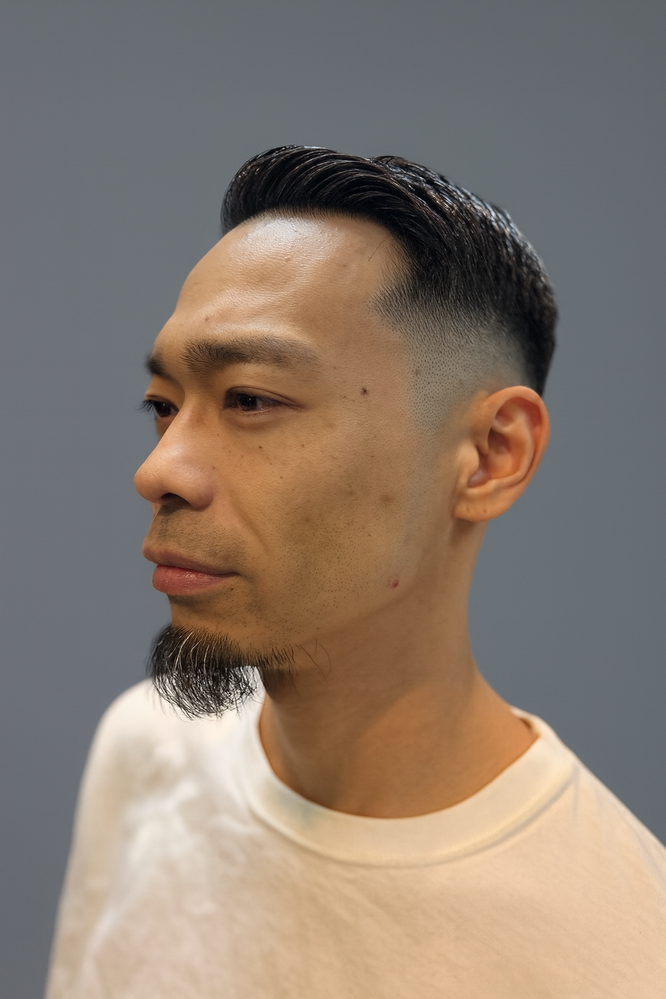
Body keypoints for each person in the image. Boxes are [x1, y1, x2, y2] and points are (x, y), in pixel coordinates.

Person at [46, 146, 666, 999]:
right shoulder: (144, 752)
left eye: (250, 399)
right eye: (164, 405)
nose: (159, 470)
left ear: (491, 455)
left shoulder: (630, 953)